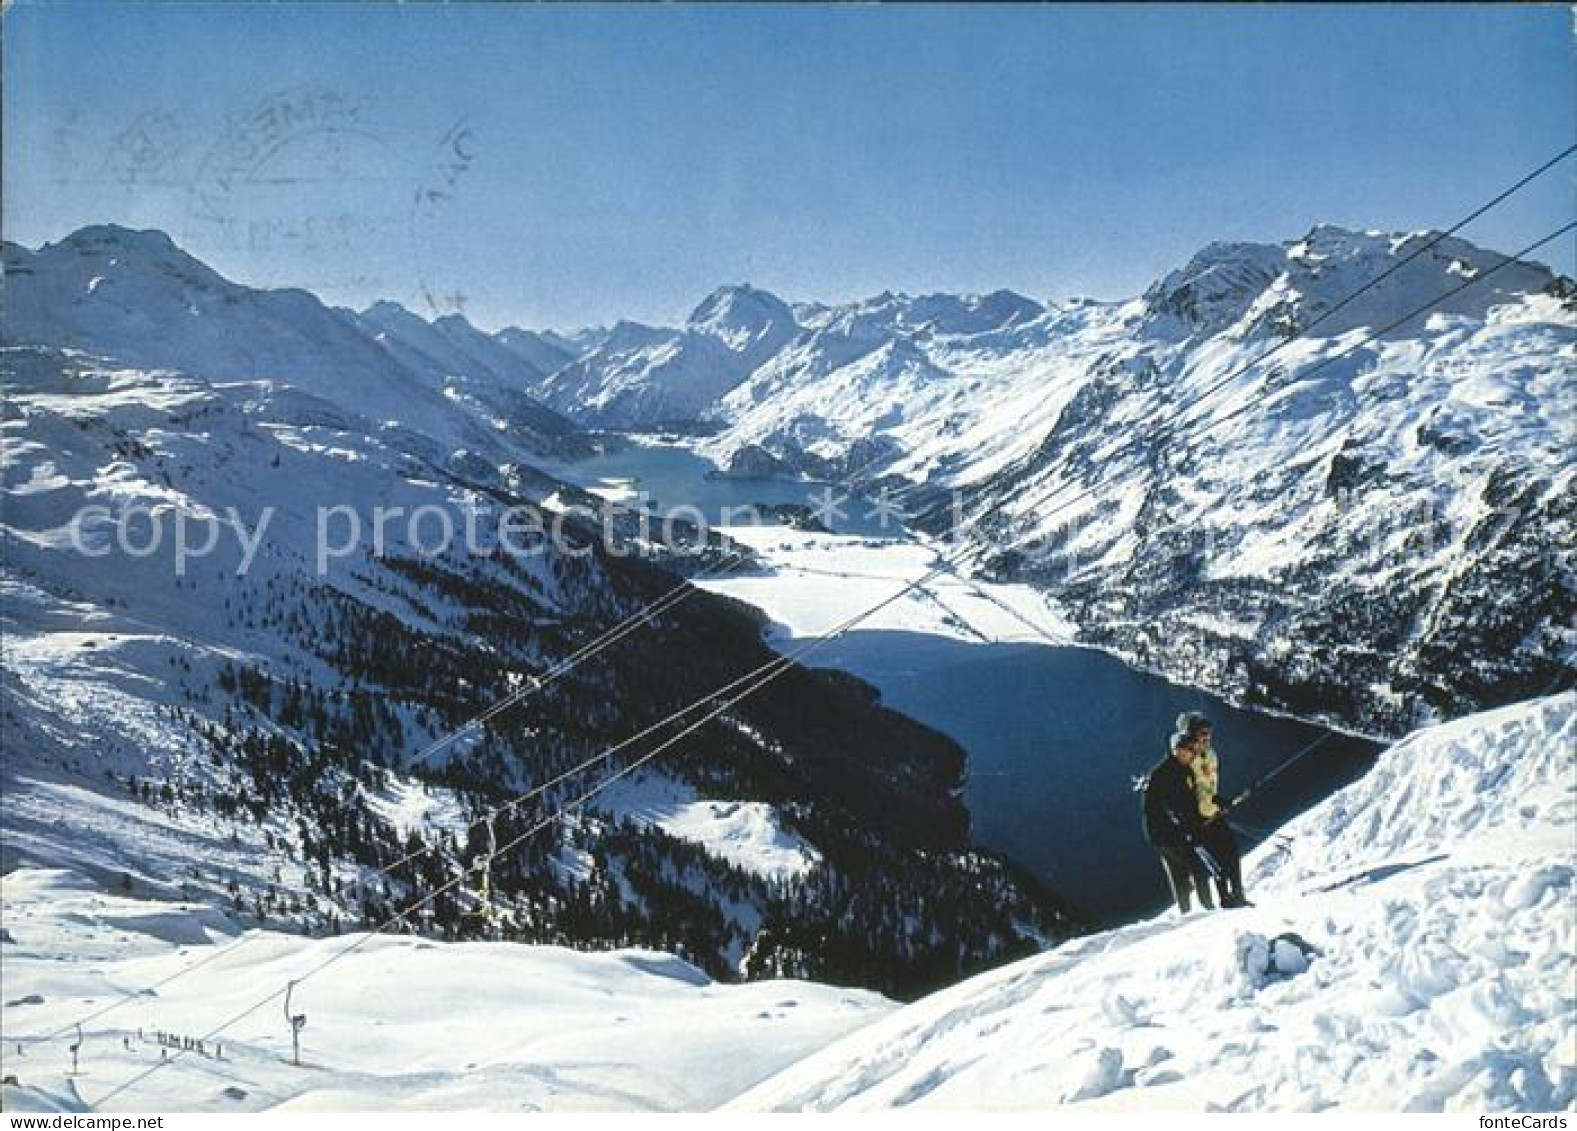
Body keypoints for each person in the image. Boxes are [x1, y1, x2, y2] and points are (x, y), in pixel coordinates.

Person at [1174, 711, 1249, 909]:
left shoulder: (1211, 755)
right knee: (1218, 860)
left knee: (1232, 851)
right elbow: (1182, 795)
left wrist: (1217, 800)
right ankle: (1226, 899)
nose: (1207, 736)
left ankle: (1238, 894)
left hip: (1213, 813)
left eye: (1208, 732)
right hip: (1197, 820)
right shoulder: (1185, 761)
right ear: (1190, 735)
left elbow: (1208, 786)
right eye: (1202, 733)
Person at [1141, 728, 1218, 913]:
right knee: (1195, 866)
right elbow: (1172, 807)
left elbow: (1187, 801)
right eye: (1190, 750)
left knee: (1179, 871)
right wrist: (1190, 828)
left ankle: (1186, 912)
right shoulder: (1166, 774)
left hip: (1161, 833)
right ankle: (1207, 907)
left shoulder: (1179, 769)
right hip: (1168, 831)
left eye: (1193, 749)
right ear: (1178, 750)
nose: (1193, 754)